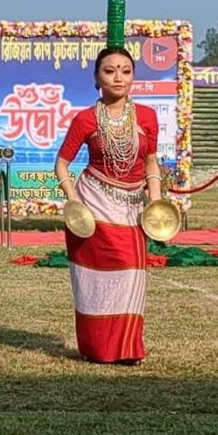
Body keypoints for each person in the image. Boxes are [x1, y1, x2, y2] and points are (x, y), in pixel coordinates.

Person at [54, 47, 162, 365]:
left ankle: (128, 348)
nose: (118, 77)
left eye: (126, 70)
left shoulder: (147, 117)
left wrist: (155, 200)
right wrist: (75, 204)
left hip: (130, 208)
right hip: (94, 205)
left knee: (131, 274)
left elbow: (151, 161)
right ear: (97, 78)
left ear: (133, 77)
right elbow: (61, 164)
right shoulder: (85, 119)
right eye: (110, 70)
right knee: (94, 281)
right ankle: (98, 348)